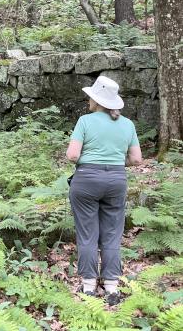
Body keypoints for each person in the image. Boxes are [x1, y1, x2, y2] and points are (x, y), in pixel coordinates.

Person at [66, 76, 142, 306]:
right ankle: (111, 286)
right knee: (112, 234)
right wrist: (116, 163)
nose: (88, 99)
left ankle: (88, 285)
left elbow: (72, 155)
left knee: (88, 234)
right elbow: (136, 159)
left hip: (86, 181)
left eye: (90, 97)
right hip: (116, 181)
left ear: (96, 100)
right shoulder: (127, 124)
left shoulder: (85, 121)